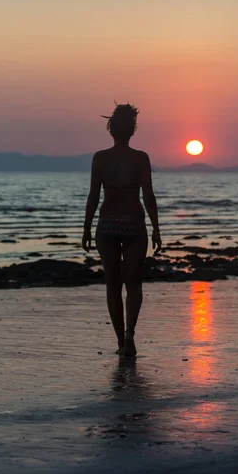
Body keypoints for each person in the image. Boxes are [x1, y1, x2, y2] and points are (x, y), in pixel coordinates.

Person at [82, 103, 161, 357]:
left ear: (111, 130)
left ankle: (119, 342)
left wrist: (86, 227)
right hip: (134, 224)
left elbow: (94, 196)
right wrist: (156, 228)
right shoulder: (140, 158)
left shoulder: (100, 158)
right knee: (134, 285)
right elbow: (148, 196)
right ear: (132, 131)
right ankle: (129, 336)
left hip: (107, 224)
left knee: (113, 285)